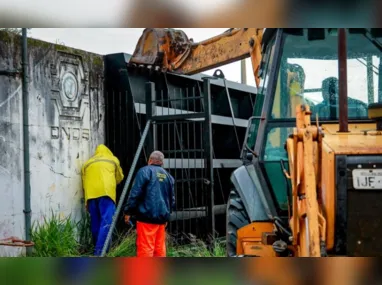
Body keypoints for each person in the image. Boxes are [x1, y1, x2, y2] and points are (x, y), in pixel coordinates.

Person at [123, 151, 175, 257]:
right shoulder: (168, 176)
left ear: (149, 160)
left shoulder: (144, 172)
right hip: (161, 218)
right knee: (159, 248)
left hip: (146, 217)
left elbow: (135, 194)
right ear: (162, 163)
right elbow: (172, 199)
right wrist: (167, 215)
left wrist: (128, 211)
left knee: (145, 247)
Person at [81, 144, 124, 256]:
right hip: (106, 194)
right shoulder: (112, 159)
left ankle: (99, 248)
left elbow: (84, 182)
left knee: (95, 223)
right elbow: (120, 177)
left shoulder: (87, 163)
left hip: (91, 196)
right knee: (106, 224)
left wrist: (86, 200)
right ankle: (100, 253)